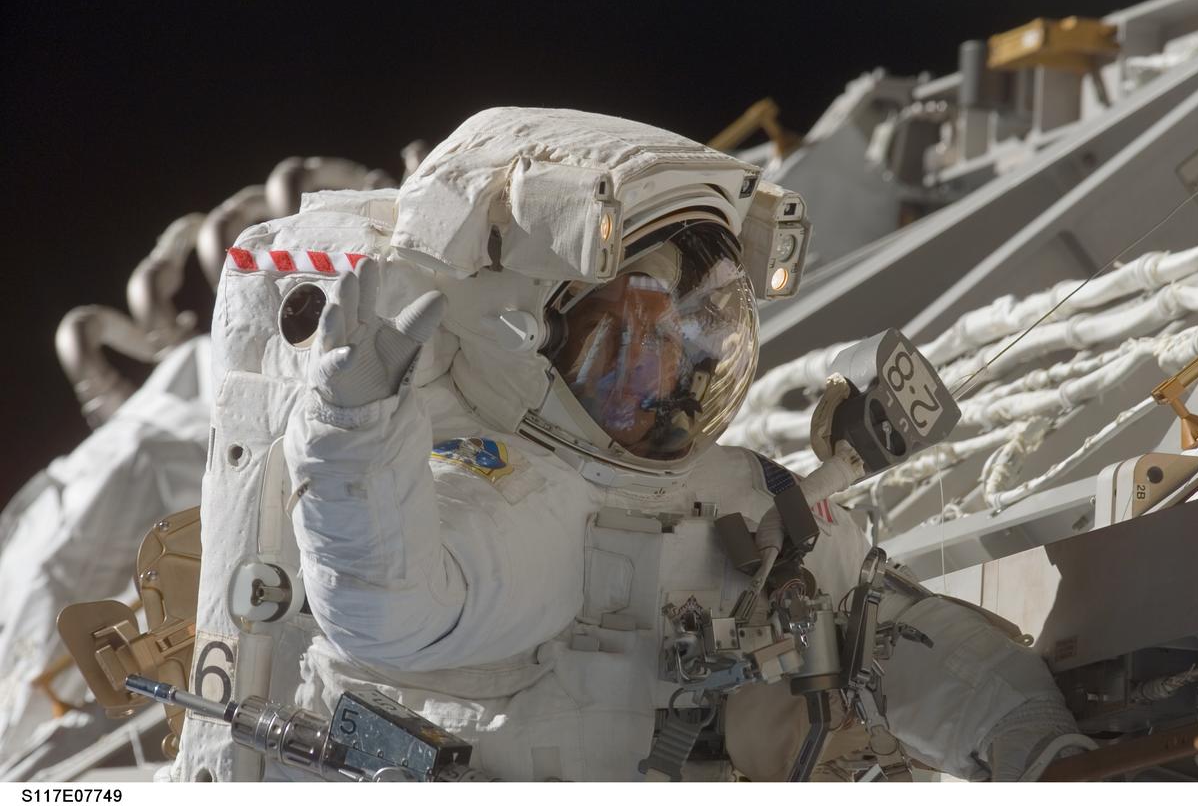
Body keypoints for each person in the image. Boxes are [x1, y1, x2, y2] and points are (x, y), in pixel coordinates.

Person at [178, 107, 1080, 781]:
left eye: (691, 336)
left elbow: (884, 634)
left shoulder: (732, 495)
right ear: (527, 339)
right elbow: (390, 607)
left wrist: (1039, 747)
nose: (669, 371)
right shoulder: (510, 495)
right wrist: (355, 426)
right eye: (629, 337)